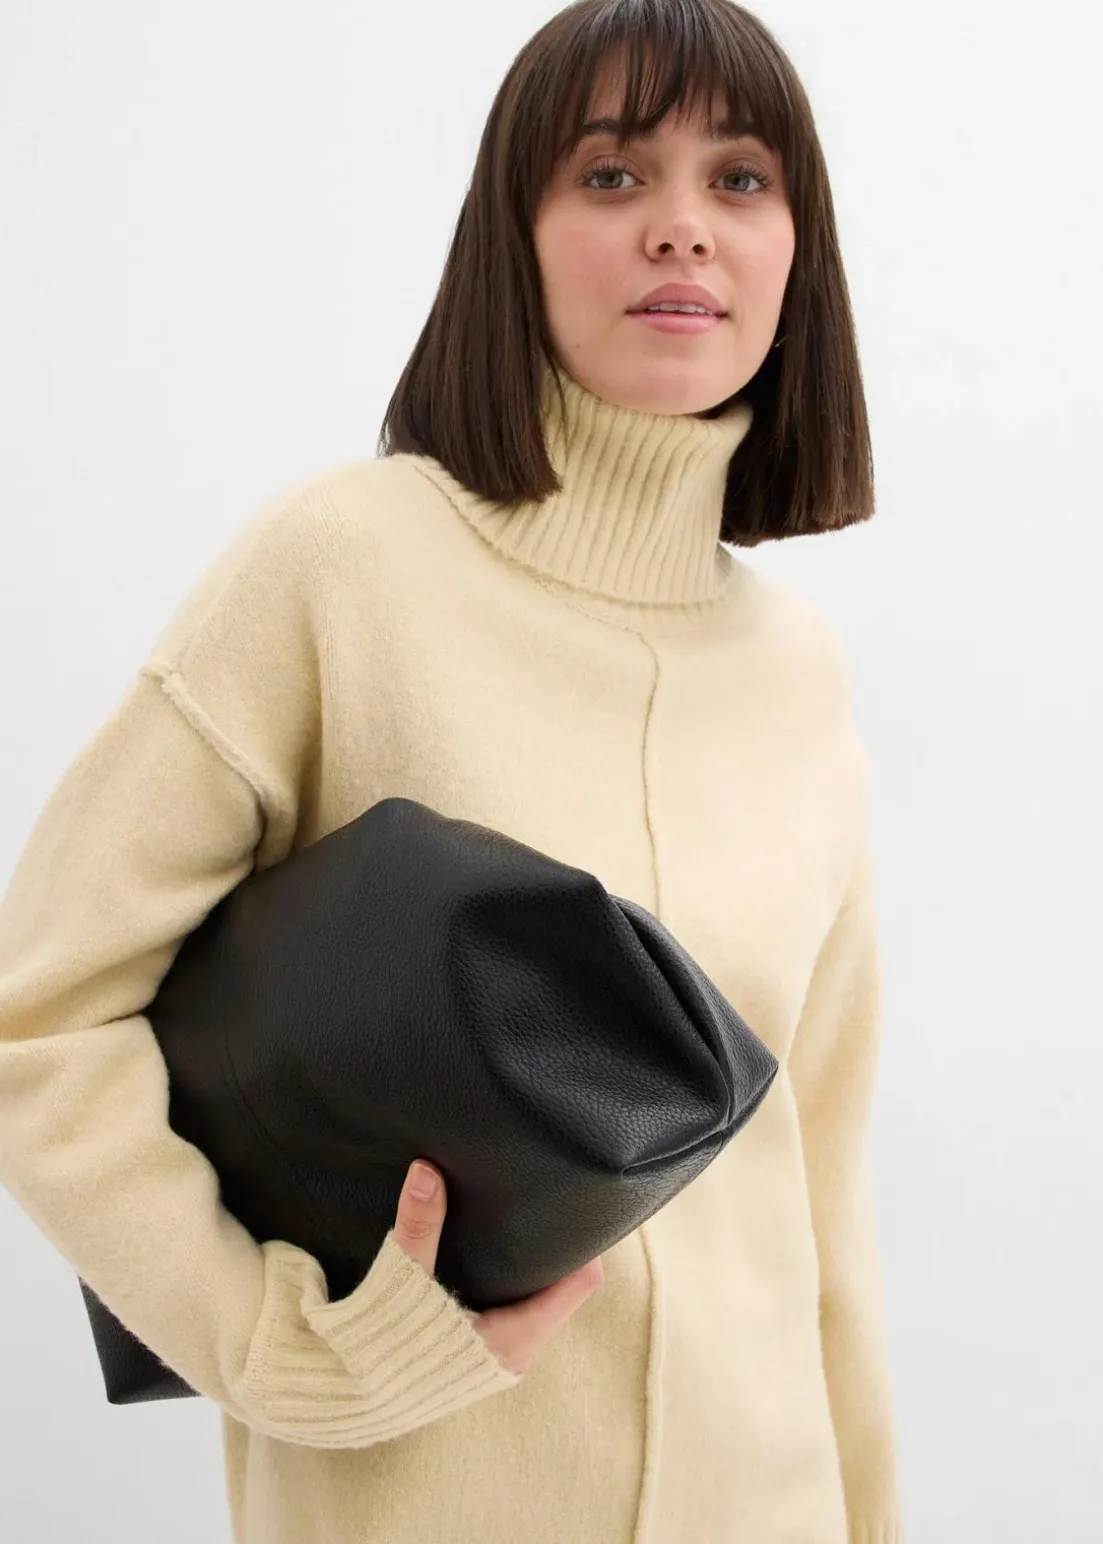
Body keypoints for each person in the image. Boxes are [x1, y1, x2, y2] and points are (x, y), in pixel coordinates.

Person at [0, 1, 907, 1541]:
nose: (683, 227)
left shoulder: (796, 672)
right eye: (610, 174)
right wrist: (282, 1348)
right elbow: (43, 1017)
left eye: (740, 179)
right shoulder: (342, 568)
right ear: (512, 237)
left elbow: (813, 1183)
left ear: (794, 253)